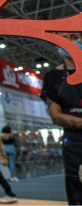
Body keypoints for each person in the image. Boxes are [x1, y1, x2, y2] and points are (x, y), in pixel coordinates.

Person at [41, 32, 82, 205]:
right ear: (57, 45)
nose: (71, 41)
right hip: (74, 144)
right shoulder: (53, 78)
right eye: (64, 37)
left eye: (75, 36)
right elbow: (56, 116)